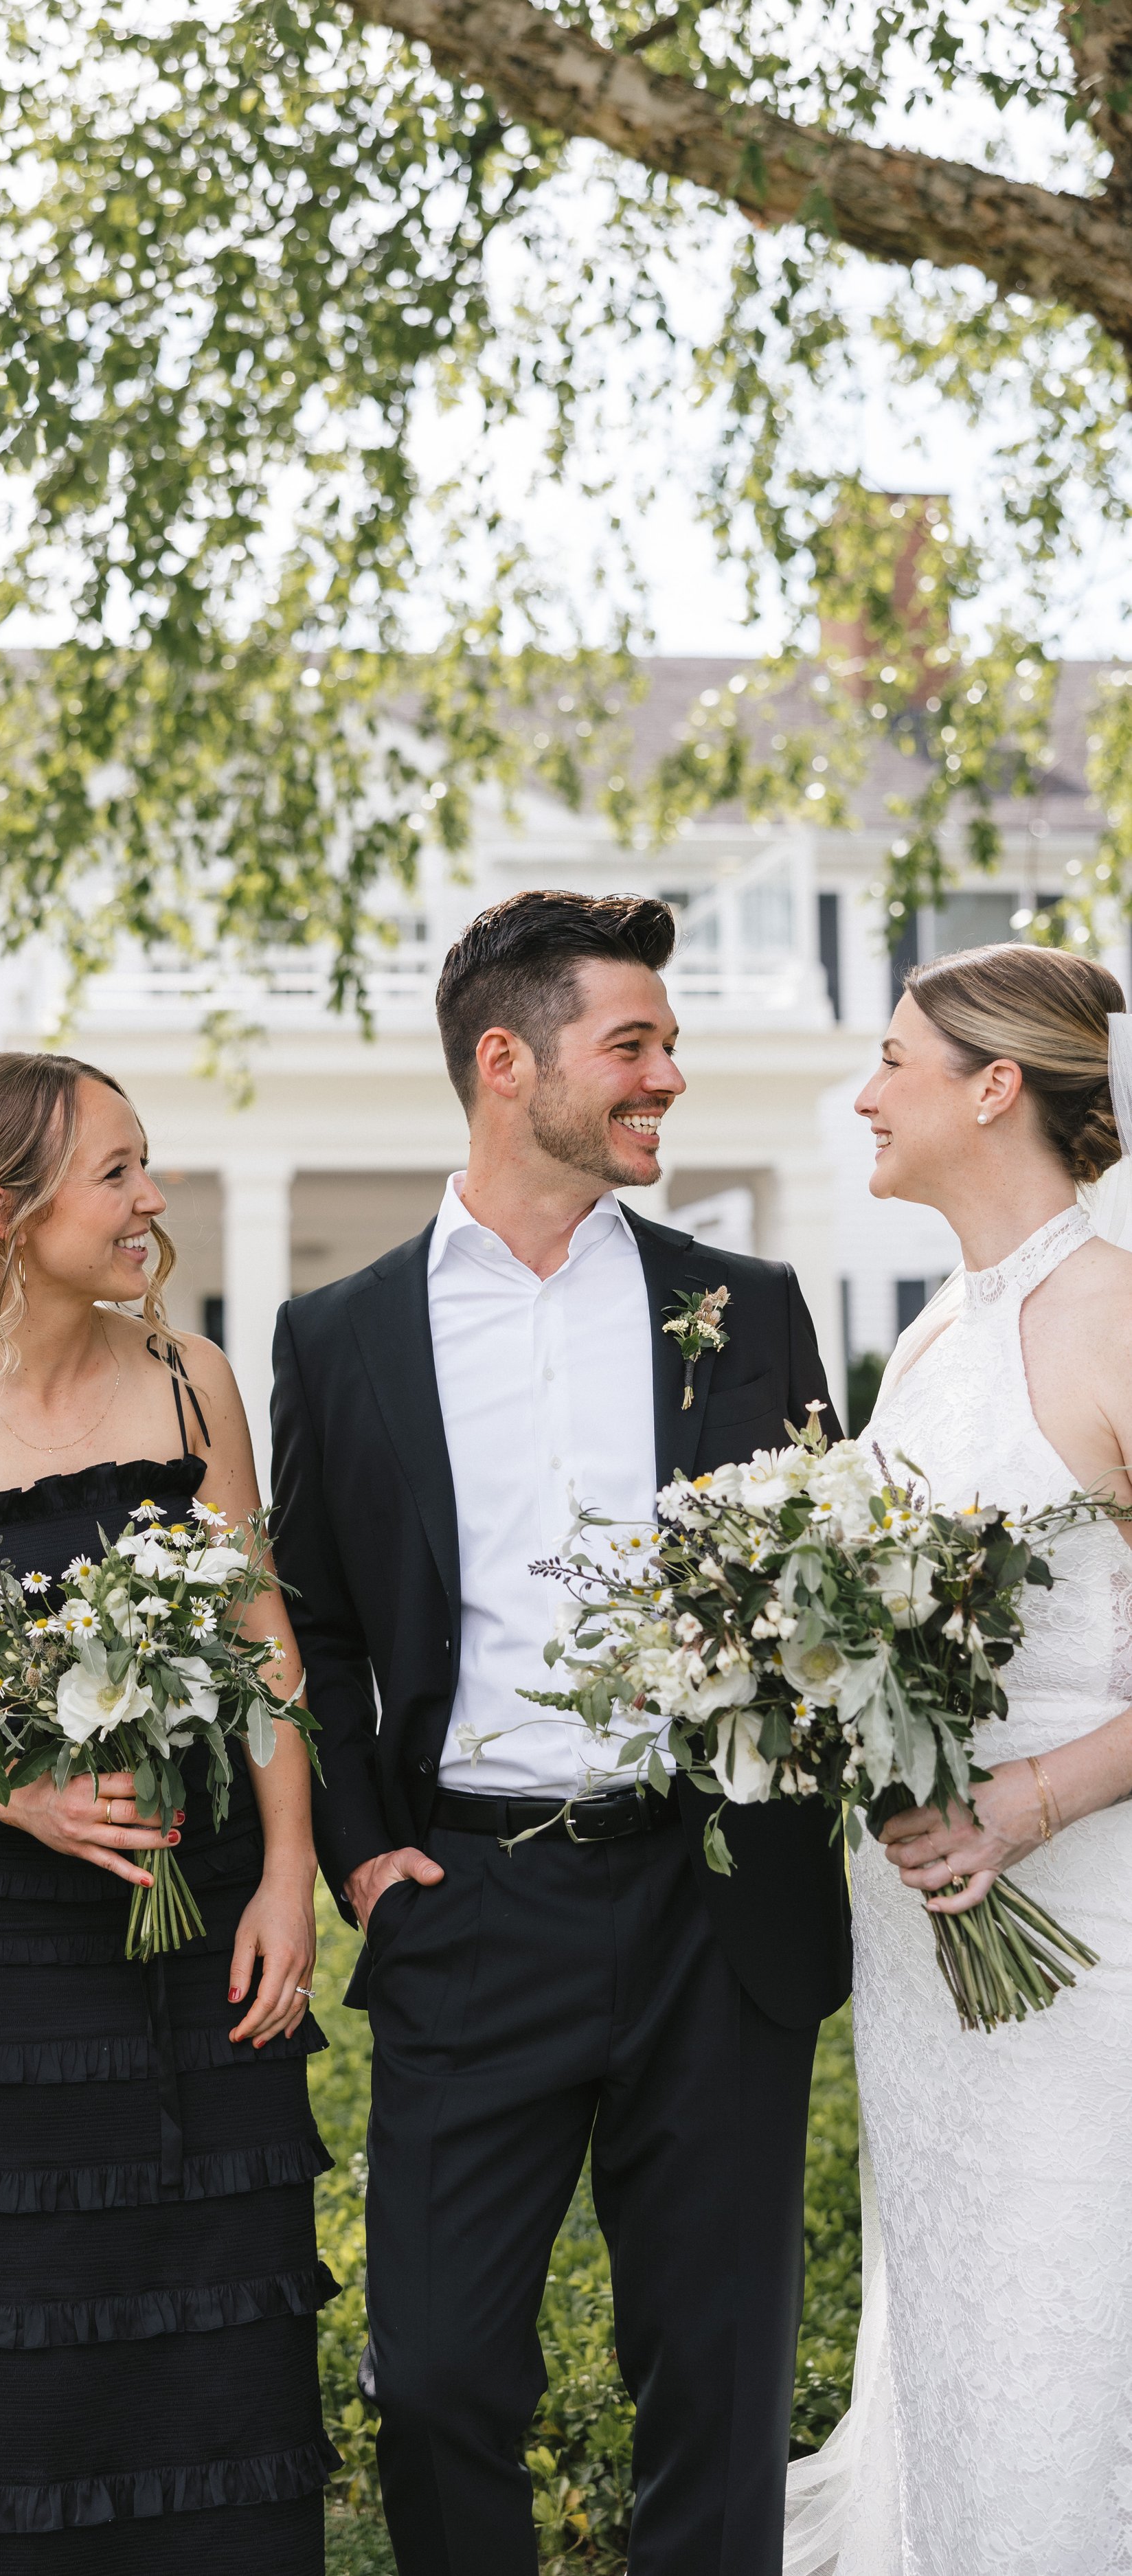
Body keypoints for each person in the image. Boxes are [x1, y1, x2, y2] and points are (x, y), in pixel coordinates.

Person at [271, 889, 852, 2576]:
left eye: (667, 1043)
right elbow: (310, 1612)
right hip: (470, 1900)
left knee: (717, 2371)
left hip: (707, 1898)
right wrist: (374, 1849)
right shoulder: (341, 1335)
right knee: (442, 2369)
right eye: (634, 1044)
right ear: (505, 1060)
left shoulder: (742, 1304)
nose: (667, 1074)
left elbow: (819, 1576)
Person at [0, 1051, 337, 2575]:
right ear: (4, 1207)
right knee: (33, 2305)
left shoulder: (191, 1378)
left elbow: (263, 1642)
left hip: (214, 1908)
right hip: (16, 1946)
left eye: (142, 1164)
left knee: (233, 2292)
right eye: (115, 1172)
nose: (150, 1199)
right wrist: (17, 1792)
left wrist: (287, 1871)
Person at [784, 945, 1132, 2576]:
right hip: (922, 1943)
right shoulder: (926, 1341)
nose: (863, 1093)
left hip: (1081, 1937)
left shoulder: (1113, 1314)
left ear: (994, 1087)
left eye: (891, 1060)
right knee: (951, 2308)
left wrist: (1026, 1801)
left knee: (1068, 2303)